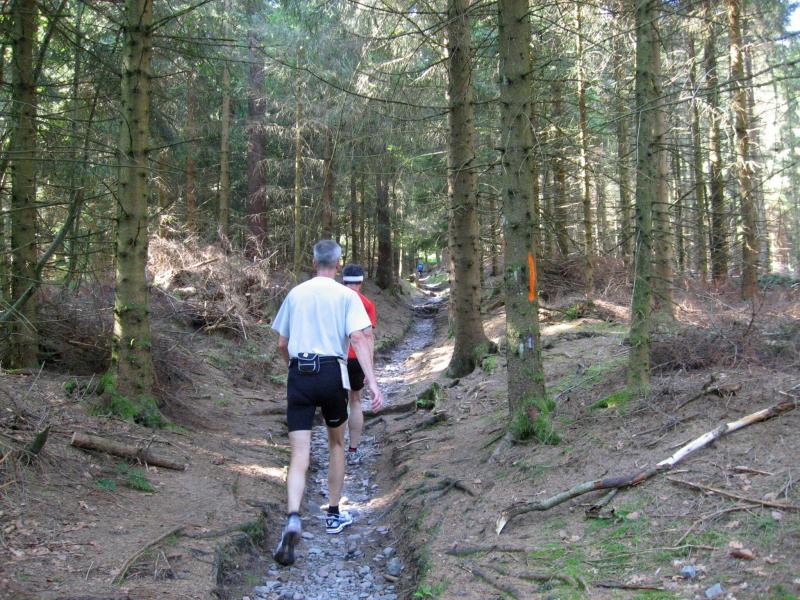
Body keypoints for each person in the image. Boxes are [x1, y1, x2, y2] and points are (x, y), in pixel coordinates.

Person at [270, 240, 384, 567]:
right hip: (333, 373)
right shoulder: (347, 296)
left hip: (300, 374)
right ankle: (333, 514)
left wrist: (292, 369)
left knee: (299, 453)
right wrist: (372, 382)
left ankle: (293, 517)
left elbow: (282, 344)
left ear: (313, 262)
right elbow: (359, 337)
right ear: (338, 264)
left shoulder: (296, 294)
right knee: (336, 444)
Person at [341, 264, 377, 466]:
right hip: (357, 359)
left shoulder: (334, 300)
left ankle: (335, 448)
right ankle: (353, 449)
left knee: (337, 402)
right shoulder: (367, 303)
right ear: (361, 283)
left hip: (335, 358)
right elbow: (367, 336)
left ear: (343, 280)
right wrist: (369, 369)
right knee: (355, 401)